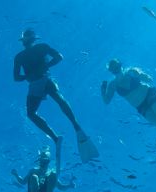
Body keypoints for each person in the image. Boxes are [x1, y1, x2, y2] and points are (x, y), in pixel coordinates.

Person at [13, 29, 98, 163]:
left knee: (36, 110)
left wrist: (29, 75)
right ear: (33, 39)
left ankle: (58, 135)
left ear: (24, 41)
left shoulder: (22, 55)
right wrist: (44, 66)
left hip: (39, 81)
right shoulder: (39, 48)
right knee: (55, 100)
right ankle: (70, 128)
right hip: (41, 80)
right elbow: (59, 57)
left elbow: (17, 77)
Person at [11, 147, 75, 192]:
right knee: (34, 176)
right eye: (42, 161)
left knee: (53, 174)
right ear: (39, 161)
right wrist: (16, 175)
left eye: (46, 161)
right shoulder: (33, 171)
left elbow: (60, 187)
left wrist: (69, 185)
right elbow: (23, 182)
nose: (43, 164)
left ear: (48, 162)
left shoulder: (50, 173)